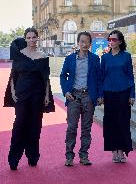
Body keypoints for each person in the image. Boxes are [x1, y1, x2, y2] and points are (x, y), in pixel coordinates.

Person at [4, 27, 55, 170]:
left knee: (35, 125)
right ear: (25, 39)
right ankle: (14, 159)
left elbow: (45, 78)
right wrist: (13, 91)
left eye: (34, 37)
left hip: (37, 94)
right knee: (19, 124)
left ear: (38, 38)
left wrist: (46, 95)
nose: (31, 40)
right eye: (29, 38)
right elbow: (13, 75)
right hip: (21, 94)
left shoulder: (43, 56)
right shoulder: (19, 55)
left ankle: (33, 156)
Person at [60, 31, 103, 166]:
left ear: (90, 43)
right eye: (82, 42)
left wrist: (100, 95)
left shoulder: (95, 59)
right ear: (78, 43)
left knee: (86, 128)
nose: (84, 44)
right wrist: (66, 91)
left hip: (88, 96)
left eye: (87, 42)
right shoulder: (70, 59)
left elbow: (99, 79)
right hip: (73, 96)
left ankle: (84, 156)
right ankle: (69, 156)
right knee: (72, 127)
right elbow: (63, 76)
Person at [101, 30, 135, 163]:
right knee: (111, 123)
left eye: (114, 39)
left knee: (123, 122)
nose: (111, 41)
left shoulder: (126, 57)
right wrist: (100, 95)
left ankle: (121, 150)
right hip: (109, 93)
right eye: (109, 39)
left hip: (124, 93)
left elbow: (130, 77)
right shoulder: (105, 58)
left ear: (120, 41)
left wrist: (132, 95)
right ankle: (114, 151)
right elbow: (101, 77)